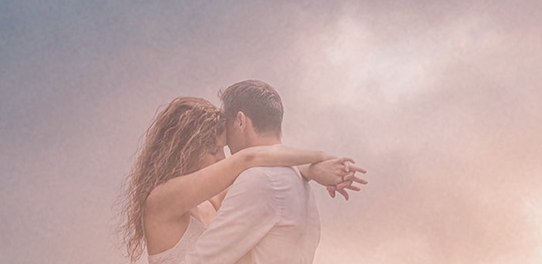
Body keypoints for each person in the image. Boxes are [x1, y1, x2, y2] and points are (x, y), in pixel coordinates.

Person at [117, 96, 363, 263]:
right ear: (184, 150)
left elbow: (261, 166)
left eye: (223, 148)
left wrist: (311, 171)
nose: (222, 157)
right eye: (213, 150)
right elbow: (247, 160)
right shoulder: (162, 199)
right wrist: (321, 157)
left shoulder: (213, 197)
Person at [185, 80, 360, 264]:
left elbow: (203, 259)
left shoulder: (259, 180)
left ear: (240, 121)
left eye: (226, 124)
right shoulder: (297, 178)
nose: (226, 140)